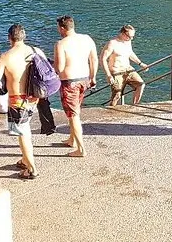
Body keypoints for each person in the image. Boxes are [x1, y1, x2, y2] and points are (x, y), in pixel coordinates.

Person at [0, 24, 41, 179]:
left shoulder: (5, 57)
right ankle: (25, 159)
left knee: (22, 133)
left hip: (17, 101)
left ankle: (32, 169)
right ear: (24, 36)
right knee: (26, 129)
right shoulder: (33, 51)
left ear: (9, 38)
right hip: (33, 97)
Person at [53, 15, 98, 158]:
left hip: (69, 82)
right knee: (75, 110)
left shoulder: (61, 44)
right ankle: (72, 139)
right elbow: (94, 59)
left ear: (61, 28)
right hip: (84, 79)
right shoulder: (87, 39)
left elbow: (59, 67)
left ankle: (81, 149)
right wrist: (93, 76)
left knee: (73, 115)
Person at [99, 25, 149, 107]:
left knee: (141, 84)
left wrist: (140, 63)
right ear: (123, 33)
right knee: (117, 95)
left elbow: (130, 53)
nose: (131, 39)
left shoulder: (127, 41)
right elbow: (102, 59)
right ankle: (111, 111)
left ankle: (135, 106)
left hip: (128, 69)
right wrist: (108, 75)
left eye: (133, 37)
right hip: (116, 72)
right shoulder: (112, 43)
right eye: (129, 36)